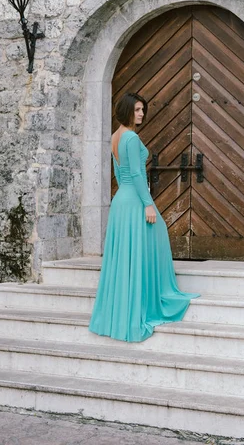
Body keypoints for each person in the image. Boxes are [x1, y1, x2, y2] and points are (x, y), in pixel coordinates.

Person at [89, 92, 199, 342]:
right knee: (157, 234)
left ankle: (126, 307)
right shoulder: (130, 137)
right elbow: (137, 175)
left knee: (129, 253)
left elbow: (121, 173)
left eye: (142, 110)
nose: (141, 114)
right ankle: (149, 301)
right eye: (137, 110)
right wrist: (148, 204)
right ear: (127, 110)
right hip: (134, 199)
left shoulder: (114, 136)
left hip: (121, 201)